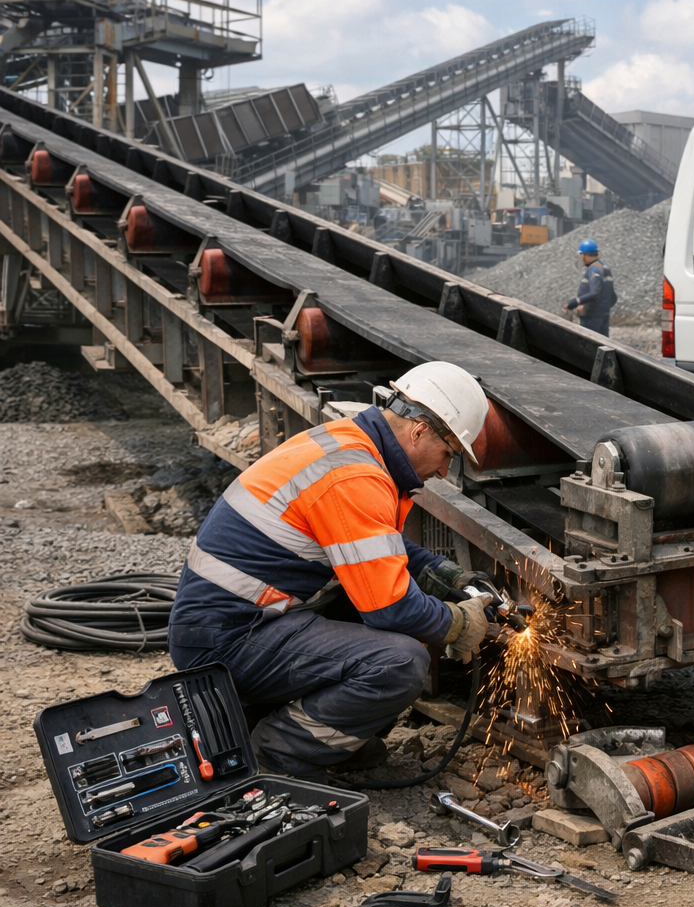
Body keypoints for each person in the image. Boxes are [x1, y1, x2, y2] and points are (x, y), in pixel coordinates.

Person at [167, 361, 498, 782]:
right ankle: (276, 754)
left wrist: (445, 574)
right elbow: (392, 608)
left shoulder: (349, 445)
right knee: (399, 662)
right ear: (419, 431)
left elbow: (373, 546)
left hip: (232, 624)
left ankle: (291, 729)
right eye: (448, 453)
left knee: (370, 607)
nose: (443, 471)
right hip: (225, 642)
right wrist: (456, 623)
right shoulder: (354, 476)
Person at [565, 238, 616, 336]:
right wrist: (604, 307)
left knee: (590, 347)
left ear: (584, 255)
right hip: (604, 316)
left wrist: (576, 302)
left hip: (591, 318)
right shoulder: (605, 268)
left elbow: (595, 292)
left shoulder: (594, 270)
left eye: (581, 255)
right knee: (603, 346)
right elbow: (613, 296)